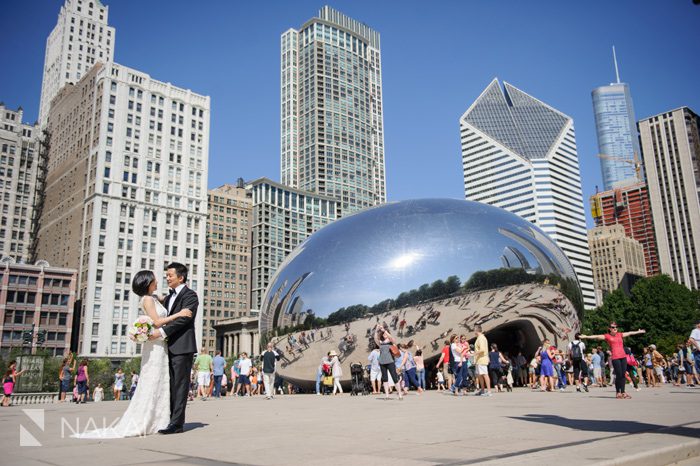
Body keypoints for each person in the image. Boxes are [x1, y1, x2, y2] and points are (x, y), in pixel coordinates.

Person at [74, 268, 193, 438]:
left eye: (168, 276)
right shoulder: (147, 299)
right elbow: (158, 322)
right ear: (148, 282)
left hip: (161, 346)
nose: (160, 280)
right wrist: (179, 314)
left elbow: (167, 300)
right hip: (156, 345)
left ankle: (159, 419)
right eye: (155, 279)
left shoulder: (153, 298)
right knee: (152, 381)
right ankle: (148, 419)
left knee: (160, 382)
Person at [581, 323, 645, 399]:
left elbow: (630, 333)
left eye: (616, 327)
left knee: (623, 375)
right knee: (618, 375)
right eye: (613, 327)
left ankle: (623, 392)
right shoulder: (607, 336)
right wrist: (586, 336)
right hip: (615, 358)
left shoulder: (620, 334)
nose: (615, 328)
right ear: (610, 329)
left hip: (623, 357)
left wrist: (638, 332)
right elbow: (596, 336)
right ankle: (618, 392)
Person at [374, 325, 402, 400]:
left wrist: (384, 330)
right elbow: (375, 339)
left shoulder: (391, 342)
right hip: (382, 362)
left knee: (394, 378)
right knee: (385, 379)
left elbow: (392, 339)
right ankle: (387, 395)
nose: (384, 334)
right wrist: (377, 330)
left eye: (385, 334)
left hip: (390, 362)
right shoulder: (380, 342)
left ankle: (400, 394)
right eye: (383, 334)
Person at [474, 325, 491, 396]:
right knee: (480, 375)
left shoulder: (481, 338)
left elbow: (482, 349)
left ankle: (489, 391)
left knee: (484, 374)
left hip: (482, 359)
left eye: (474, 330)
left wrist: (473, 354)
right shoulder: (479, 338)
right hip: (479, 360)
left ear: (476, 330)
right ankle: (483, 390)